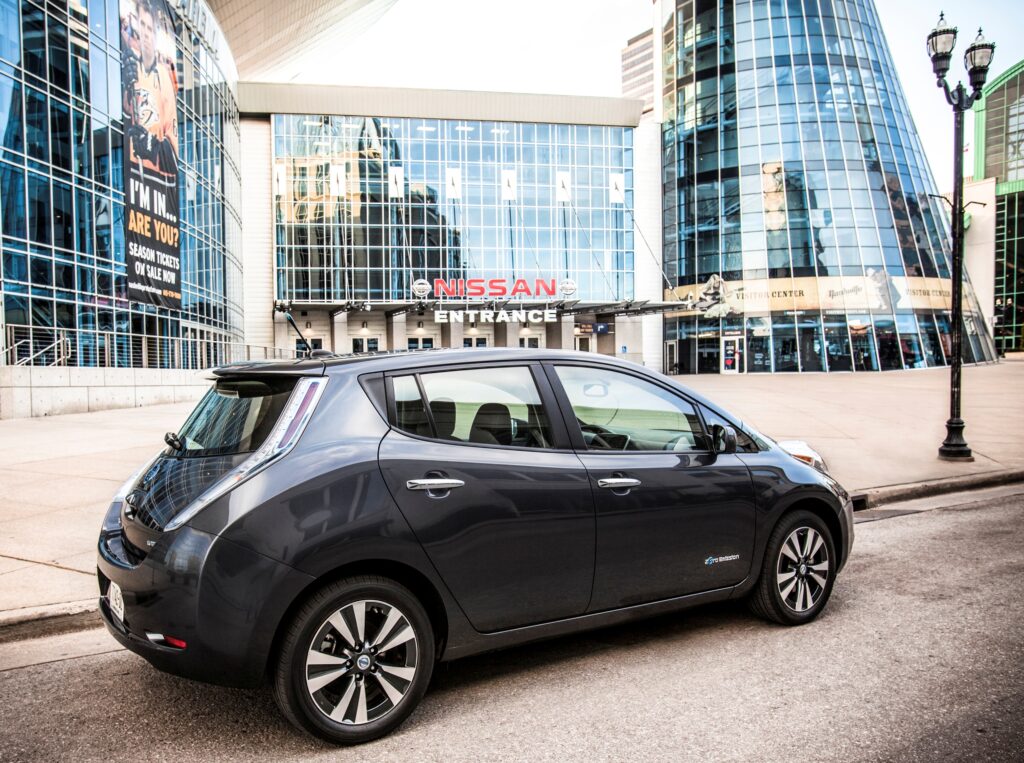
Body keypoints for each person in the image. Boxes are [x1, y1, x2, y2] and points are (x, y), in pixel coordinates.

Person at [123, 0, 178, 177]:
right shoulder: (128, 66)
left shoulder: (164, 79)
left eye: (150, 29)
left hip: (155, 183)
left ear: (155, 35)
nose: (145, 34)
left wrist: (152, 146)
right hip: (130, 177)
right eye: (142, 26)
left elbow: (174, 160)